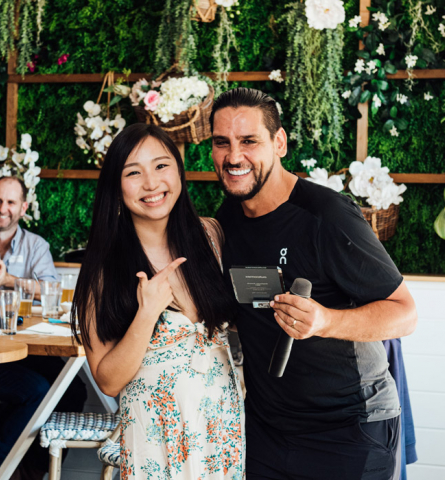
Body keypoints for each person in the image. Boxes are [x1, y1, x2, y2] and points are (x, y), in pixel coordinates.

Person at [211, 87, 418, 480]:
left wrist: (324, 321)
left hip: (349, 430)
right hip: (267, 432)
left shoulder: (326, 214)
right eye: (223, 143)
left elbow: (405, 314)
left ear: (279, 142)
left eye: (249, 141)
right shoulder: (228, 217)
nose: (234, 157)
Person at [73, 123, 244, 480]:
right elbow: (107, 381)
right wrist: (146, 314)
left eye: (161, 166)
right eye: (133, 172)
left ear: (178, 172)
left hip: (221, 429)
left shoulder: (211, 237)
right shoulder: (102, 269)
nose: (151, 183)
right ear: (116, 187)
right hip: (155, 440)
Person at [0, 176, 87, 479]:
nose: (3, 208)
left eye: (11, 202)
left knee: (72, 390)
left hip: (23, 343)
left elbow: (50, 290)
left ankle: (32, 466)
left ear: (23, 207)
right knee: (36, 390)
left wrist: (9, 280)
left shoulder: (36, 245)